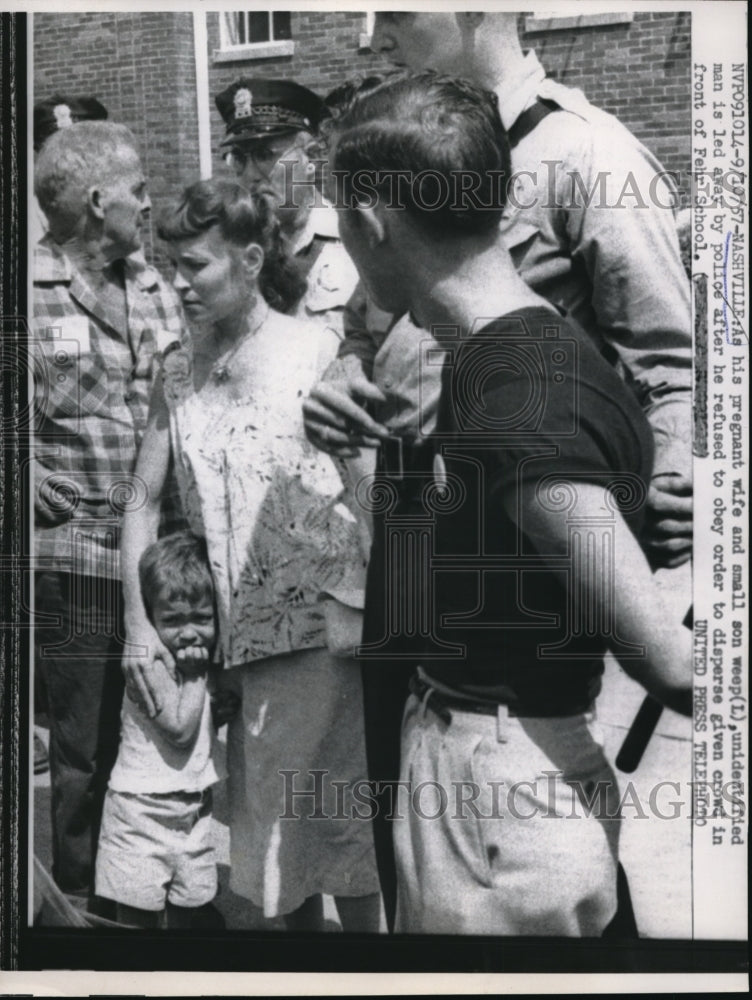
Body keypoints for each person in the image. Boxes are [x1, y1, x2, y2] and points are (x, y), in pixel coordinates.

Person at [329, 72, 692, 935]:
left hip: (502, 802)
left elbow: (670, 664)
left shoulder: (514, 389)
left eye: (342, 212)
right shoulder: (513, 352)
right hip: (503, 780)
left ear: (374, 220)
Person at [304, 11, 693, 570]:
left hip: (536, 556)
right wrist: (347, 373)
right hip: (420, 533)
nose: (378, 40)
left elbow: (669, 366)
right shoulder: (400, 148)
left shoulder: (589, 156)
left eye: (397, 14)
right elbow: (374, 319)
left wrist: (671, 489)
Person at [121, 179, 380, 932]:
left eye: (194, 265)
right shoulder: (178, 370)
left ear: (252, 258)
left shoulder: (320, 350)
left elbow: (374, 498)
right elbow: (140, 500)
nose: (177, 283)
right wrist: (140, 622)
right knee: (273, 859)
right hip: (238, 650)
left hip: (331, 646)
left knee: (347, 844)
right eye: (168, 265)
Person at [32, 121, 185, 912]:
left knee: (165, 733)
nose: (151, 204)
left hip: (159, 556)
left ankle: (161, 888)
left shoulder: (156, 286)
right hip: (76, 559)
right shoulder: (23, 290)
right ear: (97, 202)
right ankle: (84, 909)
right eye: (140, 191)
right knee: (85, 748)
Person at [95, 531, 227, 929]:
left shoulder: (190, 664)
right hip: (140, 816)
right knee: (136, 923)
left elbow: (200, 721)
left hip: (192, 811)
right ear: (150, 619)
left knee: (191, 912)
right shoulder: (151, 665)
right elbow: (180, 731)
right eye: (172, 621)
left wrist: (217, 707)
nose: (188, 632)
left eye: (202, 619)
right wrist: (198, 677)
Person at [215, 77, 360, 336]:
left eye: (264, 155)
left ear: (311, 158)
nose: (250, 175)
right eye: (239, 158)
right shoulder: (234, 250)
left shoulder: (355, 243)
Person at [32, 94, 109, 246]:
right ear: (40, 152)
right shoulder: (26, 214)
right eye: (56, 150)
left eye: (80, 149)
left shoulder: (109, 208)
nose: (69, 161)